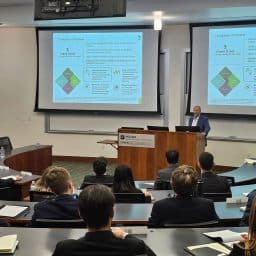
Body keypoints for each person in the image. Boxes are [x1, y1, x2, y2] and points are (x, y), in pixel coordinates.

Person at [52, 184, 155, 256]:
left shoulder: (65, 249)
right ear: (113, 212)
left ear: (80, 213)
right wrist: (126, 235)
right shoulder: (134, 246)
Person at [148, 165, 219, 227]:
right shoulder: (208, 204)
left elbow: (151, 228)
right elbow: (216, 225)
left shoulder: (160, 206)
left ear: (172, 184)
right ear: (196, 186)